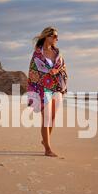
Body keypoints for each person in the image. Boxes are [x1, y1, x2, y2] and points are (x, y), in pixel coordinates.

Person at [27, 26, 68, 157]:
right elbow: (33, 72)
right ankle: (48, 149)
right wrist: (45, 75)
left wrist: (57, 71)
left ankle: (45, 141)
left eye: (57, 36)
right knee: (47, 118)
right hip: (42, 89)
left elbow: (63, 69)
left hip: (56, 88)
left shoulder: (58, 54)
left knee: (53, 118)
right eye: (54, 36)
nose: (57, 39)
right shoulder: (37, 54)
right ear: (47, 37)